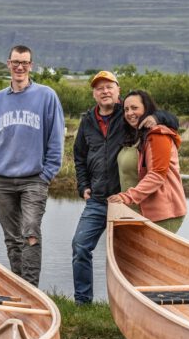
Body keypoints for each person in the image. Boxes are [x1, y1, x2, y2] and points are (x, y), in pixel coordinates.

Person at [72, 72, 178, 304]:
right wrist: (83, 185)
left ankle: (126, 304)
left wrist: (157, 116)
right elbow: (79, 155)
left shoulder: (128, 114)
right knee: (80, 246)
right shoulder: (87, 120)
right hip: (98, 200)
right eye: (99, 88)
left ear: (118, 90)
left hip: (128, 203)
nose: (105, 91)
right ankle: (82, 302)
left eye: (109, 86)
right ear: (94, 94)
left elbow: (171, 120)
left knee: (128, 257)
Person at [0, 45, 65, 287]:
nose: (20, 67)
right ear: (8, 64)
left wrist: (47, 173)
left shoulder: (46, 96)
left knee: (30, 233)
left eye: (25, 63)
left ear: (31, 66)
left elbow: (56, 138)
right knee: (12, 238)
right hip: (1, 179)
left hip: (34, 179)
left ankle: (31, 289)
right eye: (15, 62)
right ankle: (18, 288)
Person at [108, 89, 187, 233]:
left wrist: (126, 197)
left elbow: (157, 174)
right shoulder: (133, 135)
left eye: (134, 108)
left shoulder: (158, 135)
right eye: (126, 109)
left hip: (162, 213)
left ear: (147, 109)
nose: (129, 113)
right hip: (135, 210)